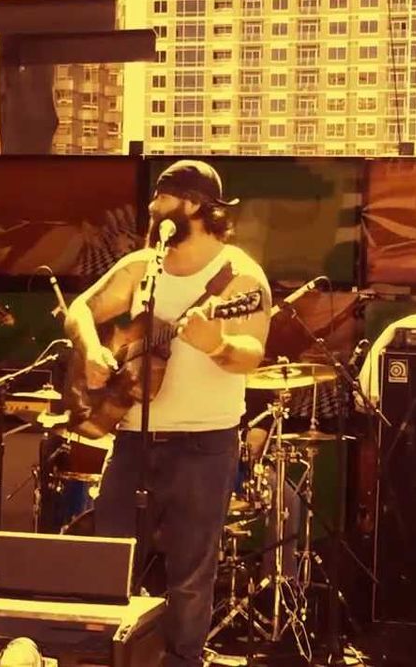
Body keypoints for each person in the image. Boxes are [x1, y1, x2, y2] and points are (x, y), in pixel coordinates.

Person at [64, 160, 271, 667]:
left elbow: (252, 353)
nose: (152, 207)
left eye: (161, 197)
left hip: (204, 442)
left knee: (190, 574)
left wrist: (217, 344)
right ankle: (105, 657)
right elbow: (80, 310)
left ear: (193, 205)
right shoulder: (144, 266)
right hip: (133, 436)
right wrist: (92, 351)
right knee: (108, 558)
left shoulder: (241, 276)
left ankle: (183, 660)